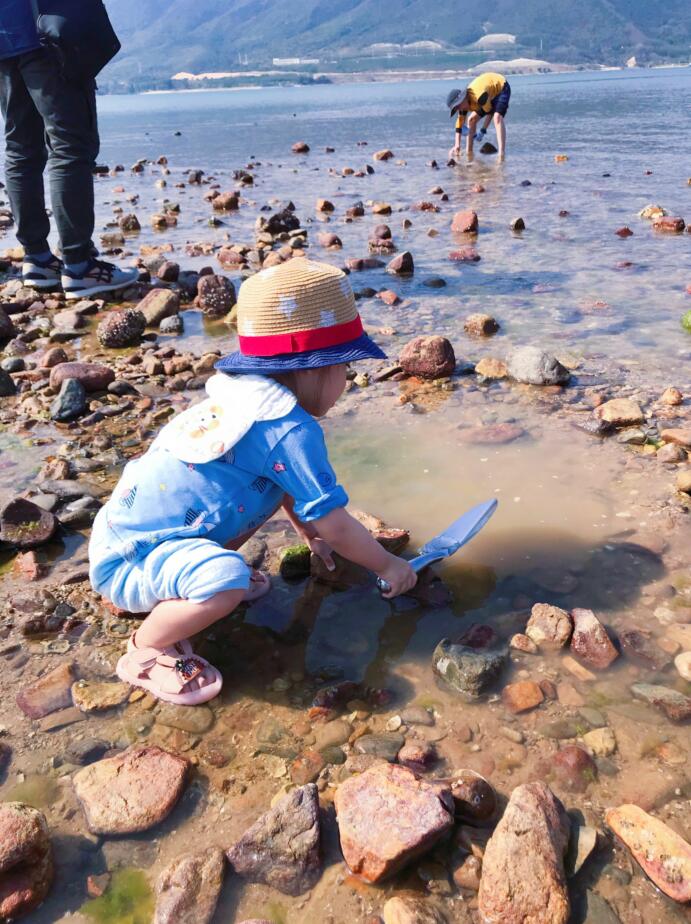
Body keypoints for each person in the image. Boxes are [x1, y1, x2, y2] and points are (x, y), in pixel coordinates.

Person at [88, 259, 418, 705]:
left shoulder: (241, 394)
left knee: (234, 572)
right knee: (227, 580)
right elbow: (338, 523)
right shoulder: (289, 430)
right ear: (312, 369)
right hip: (131, 563)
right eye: (344, 368)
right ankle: (147, 649)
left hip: (121, 538)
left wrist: (307, 534)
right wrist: (387, 566)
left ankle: (199, 586)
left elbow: (284, 485)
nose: (348, 382)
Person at [0, 0, 138, 298]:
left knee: (20, 148)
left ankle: (37, 259)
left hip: (5, 37)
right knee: (70, 146)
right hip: (48, 34)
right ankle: (79, 266)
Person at [447, 72, 511, 161]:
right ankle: (469, 152)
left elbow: (490, 112)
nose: (458, 109)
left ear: (463, 98)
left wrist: (482, 130)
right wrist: (457, 144)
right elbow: (459, 125)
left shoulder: (480, 97)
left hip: (501, 87)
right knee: (471, 120)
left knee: (497, 117)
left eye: (458, 106)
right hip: (487, 92)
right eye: (456, 108)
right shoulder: (463, 104)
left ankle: (501, 153)